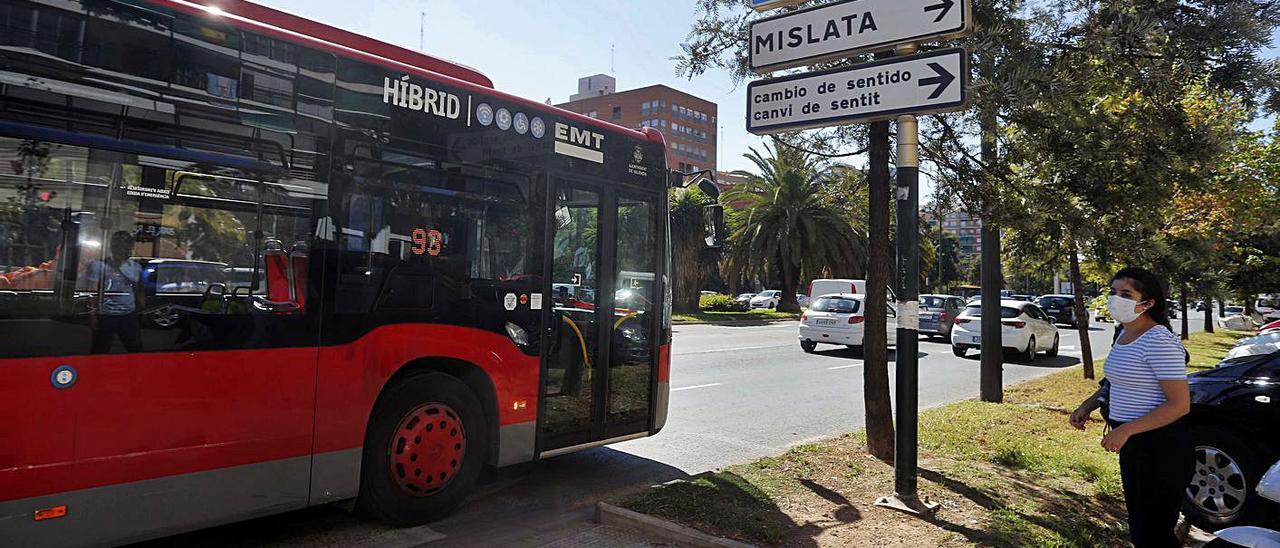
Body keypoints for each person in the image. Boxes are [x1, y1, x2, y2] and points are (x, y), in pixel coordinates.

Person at [1069, 267, 1192, 548]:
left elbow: (1179, 405)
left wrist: (1126, 430)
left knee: (1154, 535)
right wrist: (1088, 405)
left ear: (1148, 303)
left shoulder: (1159, 341)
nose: (1116, 299)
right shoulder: (1122, 335)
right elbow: (1115, 383)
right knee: (1141, 530)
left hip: (1161, 447)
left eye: (1126, 294)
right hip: (1134, 446)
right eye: (1113, 292)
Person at [85, 230, 145, 353]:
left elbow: (138, 290)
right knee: (100, 350)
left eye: (126, 245)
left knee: (135, 349)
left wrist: (141, 310)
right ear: (112, 246)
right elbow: (92, 291)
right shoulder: (98, 265)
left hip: (128, 314)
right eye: (119, 245)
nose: (122, 248)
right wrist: (93, 316)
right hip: (106, 315)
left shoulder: (135, 267)